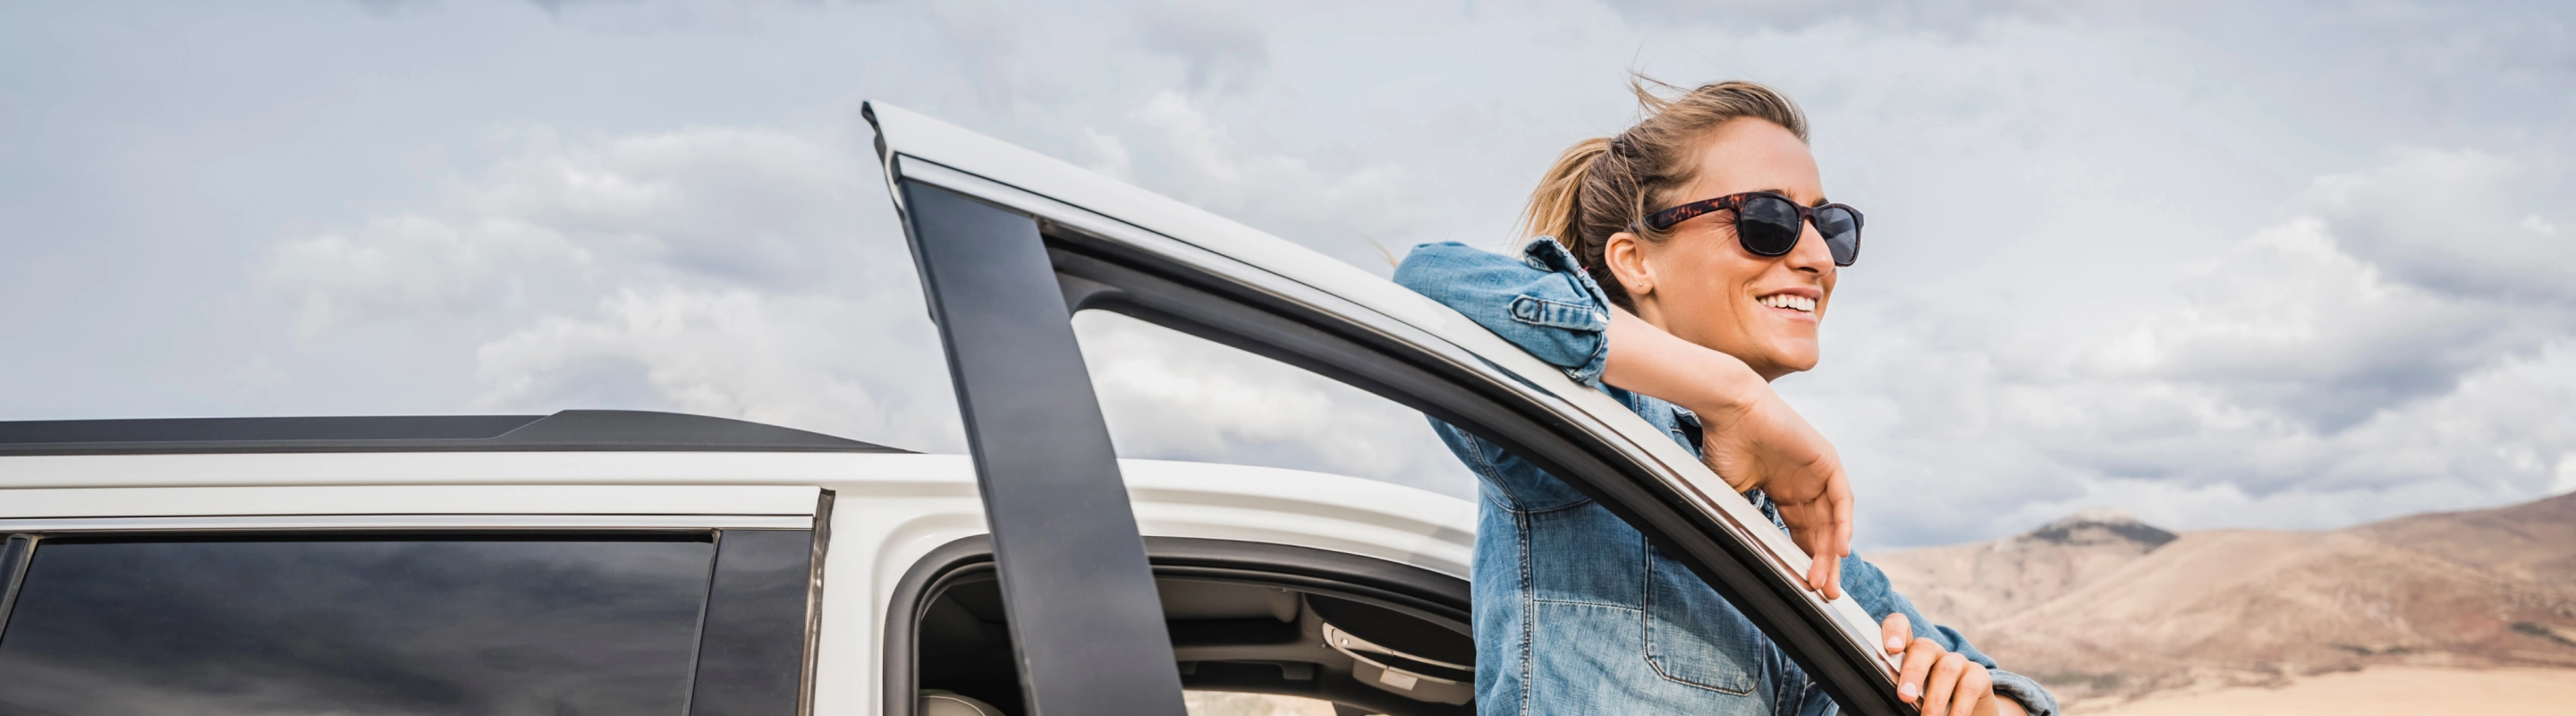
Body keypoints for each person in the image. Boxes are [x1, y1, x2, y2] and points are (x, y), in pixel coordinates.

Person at [1393, 78, 2057, 716]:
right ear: (1634, 261)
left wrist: (1983, 699)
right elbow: (1431, 284)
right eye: (1768, 221)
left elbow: (1989, 681)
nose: (1819, 256)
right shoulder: (1585, 436)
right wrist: (1735, 397)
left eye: (1830, 225)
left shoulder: (1805, 542)